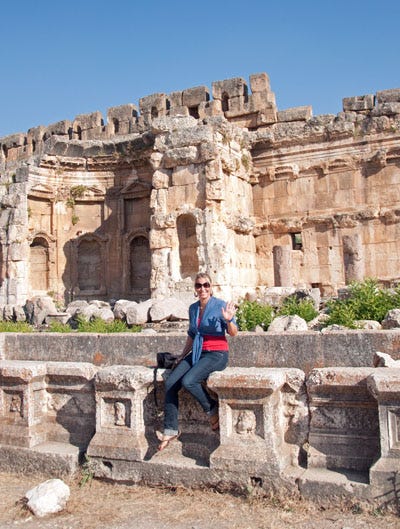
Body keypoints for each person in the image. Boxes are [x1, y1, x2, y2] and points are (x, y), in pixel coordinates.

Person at [157, 272, 238, 451]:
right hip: (197, 353)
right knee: (171, 382)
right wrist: (181, 356)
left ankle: (212, 409)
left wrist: (229, 320)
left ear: (211, 287)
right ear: (195, 289)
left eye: (206, 285)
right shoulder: (193, 308)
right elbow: (192, 335)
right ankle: (170, 429)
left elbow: (233, 333)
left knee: (189, 381)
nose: (203, 289)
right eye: (199, 285)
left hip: (217, 354)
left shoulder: (221, 306)